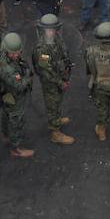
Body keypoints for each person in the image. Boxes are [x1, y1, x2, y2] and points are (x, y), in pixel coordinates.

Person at [0, 33, 34, 158]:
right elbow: (19, 85)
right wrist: (28, 76)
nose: (16, 55)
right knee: (16, 120)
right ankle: (16, 148)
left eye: (17, 52)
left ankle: (6, 135)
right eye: (12, 53)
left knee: (6, 114)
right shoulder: (7, 69)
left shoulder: (3, 54)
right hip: (14, 96)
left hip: (6, 95)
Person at [31, 13, 75, 145]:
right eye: (48, 30)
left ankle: (57, 119)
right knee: (52, 104)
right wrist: (61, 83)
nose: (51, 32)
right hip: (51, 82)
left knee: (58, 101)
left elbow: (63, 54)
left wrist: (66, 73)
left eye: (53, 29)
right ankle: (55, 133)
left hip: (60, 77)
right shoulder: (42, 49)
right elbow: (46, 72)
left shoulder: (57, 39)